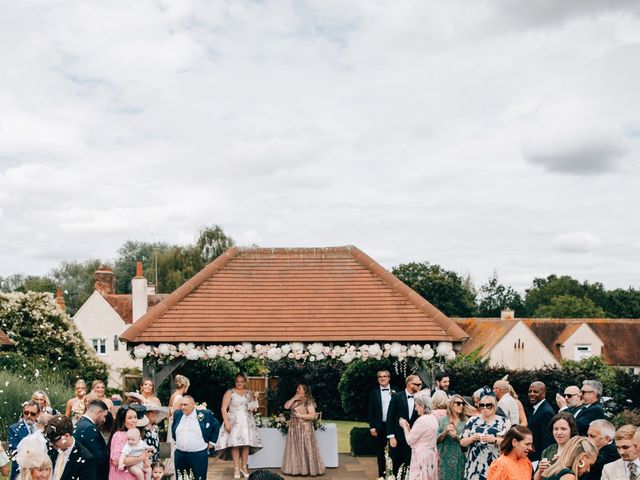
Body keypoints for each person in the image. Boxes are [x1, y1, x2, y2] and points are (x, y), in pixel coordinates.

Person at [217, 372, 262, 478]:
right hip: (234, 422)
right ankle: (236, 468)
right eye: (237, 381)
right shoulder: (230, 392)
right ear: (235, 381)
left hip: (247, 422)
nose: (239, 383)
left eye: (242, 381)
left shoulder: (249, 393)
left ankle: (244, 466)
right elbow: (223, 408)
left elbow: (253, 408)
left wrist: (255, 399)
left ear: (245, 382)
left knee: (246, 444)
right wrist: (226, 423)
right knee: (235, 444)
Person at [281, 383, 326, 476]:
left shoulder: (308, 401)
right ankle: (297, 469)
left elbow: (312, 415)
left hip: (305, 428)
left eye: (299, 388)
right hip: (294, 428)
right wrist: (294, 398)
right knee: (295, 448)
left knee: (306, 448)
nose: (297, 390)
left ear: (305, 390)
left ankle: (309, 469)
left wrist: (300, 415)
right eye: (297, 388)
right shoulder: (294, 400)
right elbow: (286, 406)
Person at [171, 395, 220, 480]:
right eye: (181, 405)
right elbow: (173, 427)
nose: (182, 407)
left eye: (185, 405)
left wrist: (212, 442)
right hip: (180, 455)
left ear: (193, 405)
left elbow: (216, 425)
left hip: (198, 455)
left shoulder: (205, 414)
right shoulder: (178, 414)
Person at [460, 395, 507, 480]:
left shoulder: (503, 421)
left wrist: (494, 440)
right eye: (482, 405)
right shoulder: (472, 420)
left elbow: (509, 443)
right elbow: (462, 442)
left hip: (495, 463)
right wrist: (472, 438)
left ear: (495, 406)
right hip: (474, 465)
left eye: (488, 405)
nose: (485, 408)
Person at [387, 375, 423, 476]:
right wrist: (391, 436)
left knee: (411, 464)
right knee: (396, 464)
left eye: (421, 384)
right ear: (409, 384)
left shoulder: (421, 399)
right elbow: (390, 417)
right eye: (418, 384)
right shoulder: (397, 397)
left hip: (414, 438)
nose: (420, 386)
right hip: (398, 437)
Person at [399, 394, 438, 480]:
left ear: (423, 406)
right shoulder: (433, 418)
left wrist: (404, 427)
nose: (415, 408)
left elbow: (409, 440)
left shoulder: (421, 420)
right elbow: (420, 436)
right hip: (430, 455)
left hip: (421, 457)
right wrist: (409, 429)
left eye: (416, 406)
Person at [45, 415, 96, 480]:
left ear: (67, 435)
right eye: (50, 441)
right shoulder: (50, 448)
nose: (52, 444)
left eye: (55, 440)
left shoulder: (86, 459)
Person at [108, 404, 151, 480]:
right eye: (130, 418)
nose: (134, 420)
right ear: (123, 420)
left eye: (135, 417)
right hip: (122, 476)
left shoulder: (135, 433)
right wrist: (141, 457)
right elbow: (116, 461)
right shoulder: (119, 435)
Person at [437, 394, 473, 480]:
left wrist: (457, 437)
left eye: (463, 404)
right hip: (445, 457)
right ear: (451, 404)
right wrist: (445, 432)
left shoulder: (466, 421)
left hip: (461, 457)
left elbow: (468, 442)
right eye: (458, 403)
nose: (461, 405)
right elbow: (437, 440)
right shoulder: (442, 420)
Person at [534, 413, 578, 480]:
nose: (559, 433)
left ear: (571, 430)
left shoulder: (577, 450)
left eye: (563, 429)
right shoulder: (548, 451)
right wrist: (540, 470)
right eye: (556, 429)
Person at [368, 369, 395, 477]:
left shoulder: (396, 391)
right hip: (380, 426)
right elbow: (370, 411)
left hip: (393, 426)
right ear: (378, 379)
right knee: (380, 453)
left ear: (389, 378)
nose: (382, 378)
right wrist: (372, 427)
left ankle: (394, 475)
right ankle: (381, 476)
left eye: (385, 376)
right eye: (380, 377)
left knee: (394, 452)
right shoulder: (373, 392)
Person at [75, 400, 109, 480]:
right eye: (104, 416)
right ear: (99, 412)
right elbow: (99, 457)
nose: (104, 420)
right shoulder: (89, 428)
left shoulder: (79, 424)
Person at [9, 400, 41, 480]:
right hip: (20, 471)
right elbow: (13, 450)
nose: (29, 415)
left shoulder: (40, 429)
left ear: (38, 414)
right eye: (26, 413)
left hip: (38, 471)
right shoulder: (14, 429)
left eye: (33, 414)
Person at [527, 381, 555, 463]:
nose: (531, 394)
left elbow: (547, 440)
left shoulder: (546, 412)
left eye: (535, 392)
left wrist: (543, 461)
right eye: (530, 391)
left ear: (543, 394)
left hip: (539, 460)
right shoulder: (537, 409)